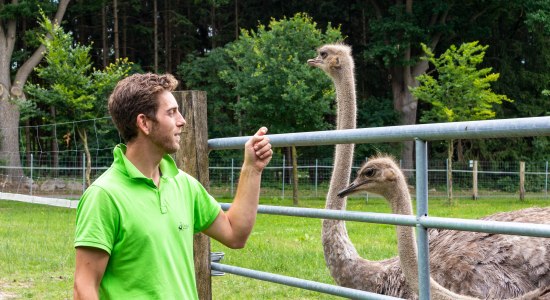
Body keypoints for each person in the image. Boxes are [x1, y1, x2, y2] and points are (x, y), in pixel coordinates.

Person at [73, 73, 273, 299]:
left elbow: (235, 234)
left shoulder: (184, 185)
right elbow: (84, 287)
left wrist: (252, 169)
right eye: (171, 112)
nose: (182, 120)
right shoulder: (104, 196)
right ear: (144, 123)